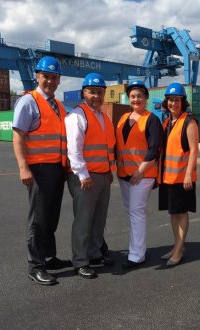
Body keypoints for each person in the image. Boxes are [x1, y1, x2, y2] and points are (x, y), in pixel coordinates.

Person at [12, 56, 70, 286]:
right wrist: (23, 167)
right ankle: (35, 266)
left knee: (51, 216)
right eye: (46, 76)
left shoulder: (59, 104)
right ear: (37, 76)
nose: (50, 81)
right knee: (38, 219)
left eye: (54, 77)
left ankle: (48, 257)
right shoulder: (29, 101)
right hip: (38, 169)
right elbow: (19, 135)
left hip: (57, 168)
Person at [65, 73, 116, 279]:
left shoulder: (103, 116)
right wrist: (83, 174)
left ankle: (94, 253)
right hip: (85, 177)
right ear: (83, 93)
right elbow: (74, 149)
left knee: (98, 219)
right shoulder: (78, 115)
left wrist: (109, 171)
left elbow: (106, 148)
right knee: (83, 220)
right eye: (92, 91)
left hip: (103, 174)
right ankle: (80, 260)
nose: (96, 95)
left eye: (100, 92)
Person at [116, 80, 163, 269]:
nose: (136, 99)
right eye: (133, 96)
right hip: (124, 174)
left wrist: (140, 171)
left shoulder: (151, 119)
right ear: (129, 98)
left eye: (140, 96)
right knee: (131, 212)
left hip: (142, 174)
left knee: (137, 212)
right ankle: (135, 248)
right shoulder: (123, 118)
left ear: (146, 98)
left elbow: (154, 149)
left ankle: (137, 255)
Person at [158, 82, 199, 267]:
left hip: (183, 178)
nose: (173, 103)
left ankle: (179, 250)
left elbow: (193, 151)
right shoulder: (167, 122)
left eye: (177, 100)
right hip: (168, 178)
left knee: (181, 214)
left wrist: (189, 174)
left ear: (183, 102)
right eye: (171, 100)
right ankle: (177, 246)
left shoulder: (189, 122)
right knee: (173, 214)